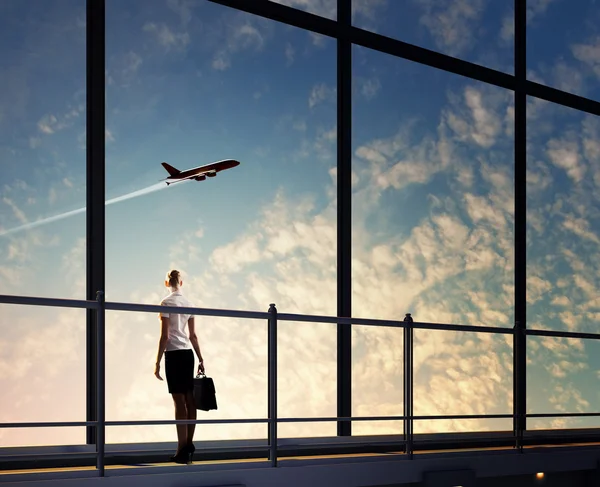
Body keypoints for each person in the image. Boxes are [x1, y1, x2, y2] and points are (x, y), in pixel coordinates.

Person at [154, 269, 205, 464]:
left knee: (178, 401)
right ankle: (188, 445)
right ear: (181, 284)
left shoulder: (166, 303)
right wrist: (200, 357)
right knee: (189, 399)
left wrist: (157, 361)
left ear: (167, 283)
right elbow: (193, 336)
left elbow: (165, 336)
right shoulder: (190, 303)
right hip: (187, 354)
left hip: (174, 354)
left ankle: (181, 449)